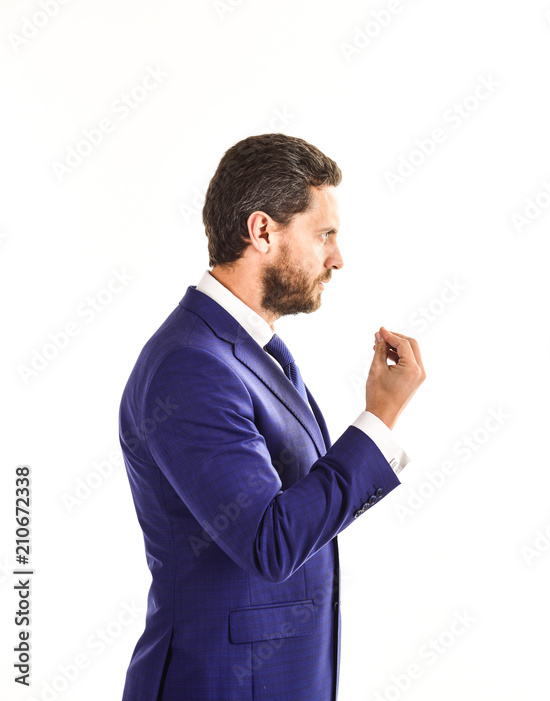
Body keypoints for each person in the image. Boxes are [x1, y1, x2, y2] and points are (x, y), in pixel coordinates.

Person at [118, 133, 426, 700]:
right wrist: (379, 418)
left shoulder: (253, 349)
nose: (337, 258)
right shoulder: (190, 364)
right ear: (262, 231)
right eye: (325, 234)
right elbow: (270, 541)